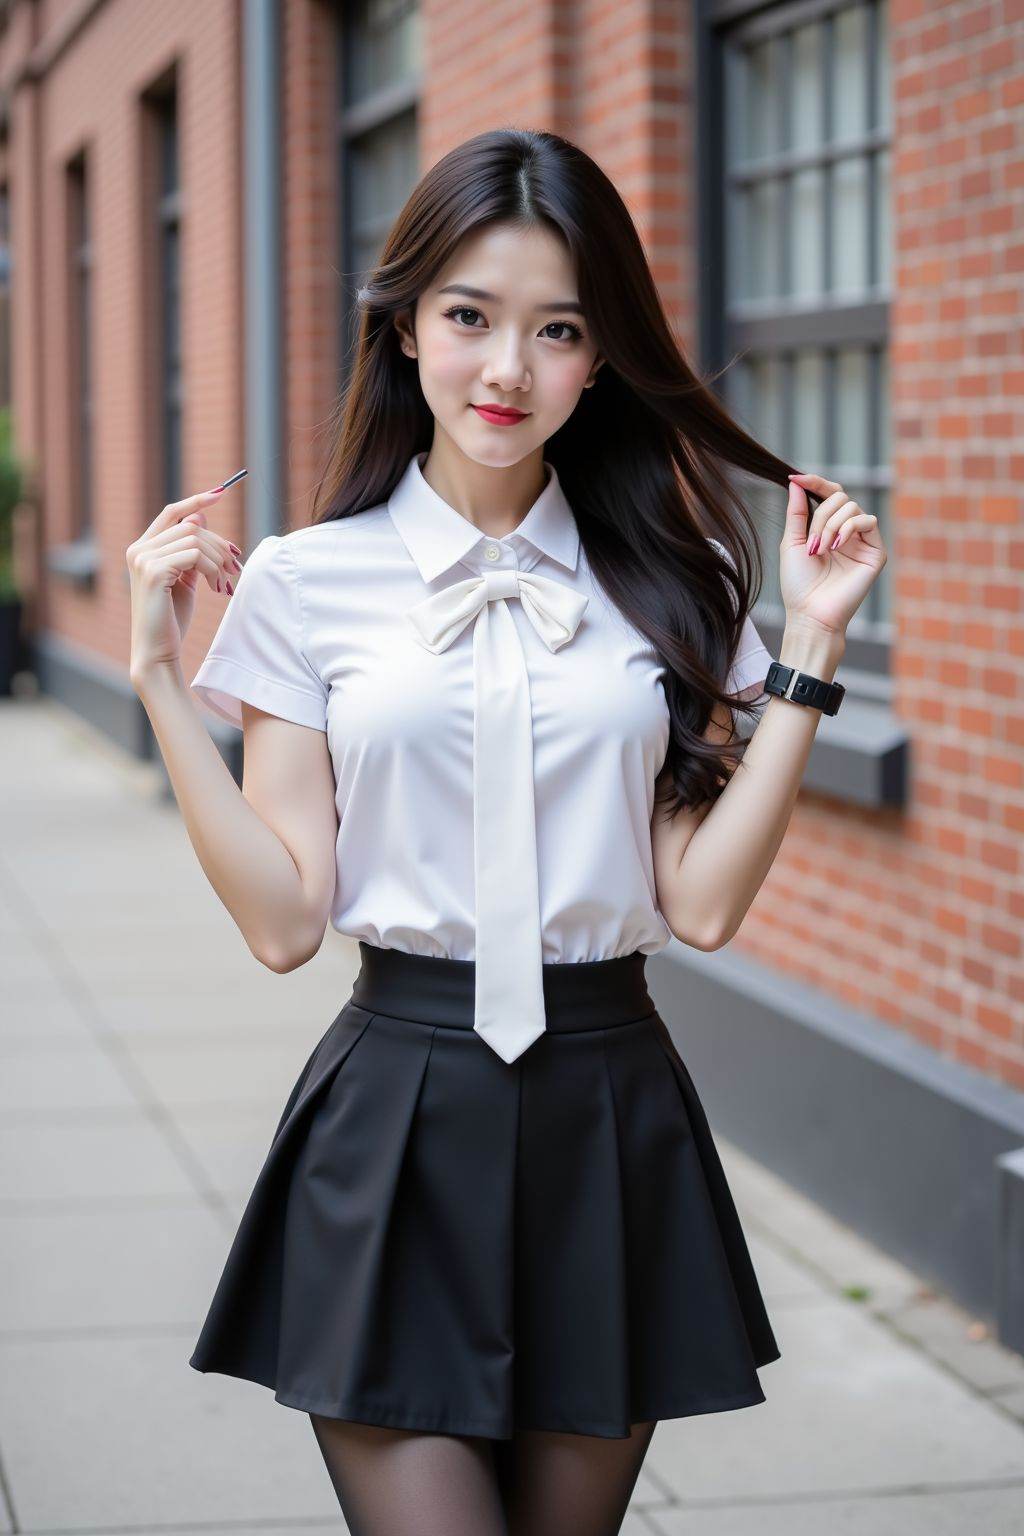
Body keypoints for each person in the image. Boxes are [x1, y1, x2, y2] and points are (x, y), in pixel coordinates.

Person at [127, 127, 886, 1536]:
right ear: (406, 324)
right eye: (471, 316)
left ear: (599, 362)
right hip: (396, 1116)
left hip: (609, 1115)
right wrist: (163, 685)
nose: (508, 370)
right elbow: (285, 923)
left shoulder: (674, 584)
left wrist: (811, 653)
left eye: (559, 330)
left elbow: (704, 905)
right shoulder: (304, 582)